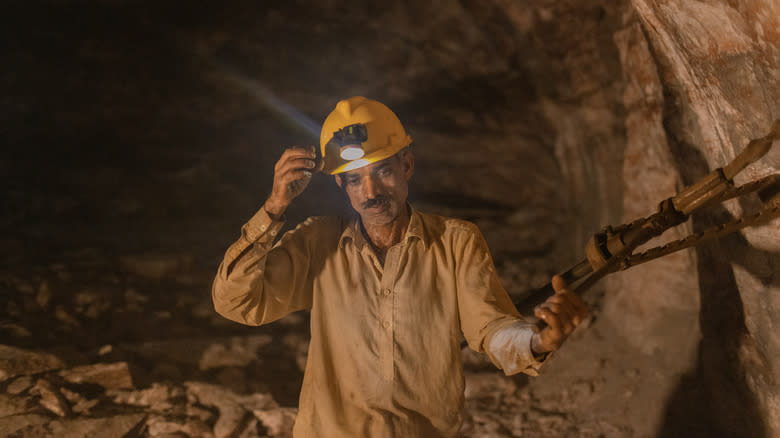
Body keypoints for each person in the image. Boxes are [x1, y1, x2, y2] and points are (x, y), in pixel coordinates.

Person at [212, 96, 588, 437]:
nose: (371, 192)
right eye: (355, 180)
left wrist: (539, 340)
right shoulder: (319, 243)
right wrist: (274, 208)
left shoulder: (455, 242)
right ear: (342, 186)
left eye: (383, 171)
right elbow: (236, 302)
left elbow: (491, 329)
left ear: (407, 165)